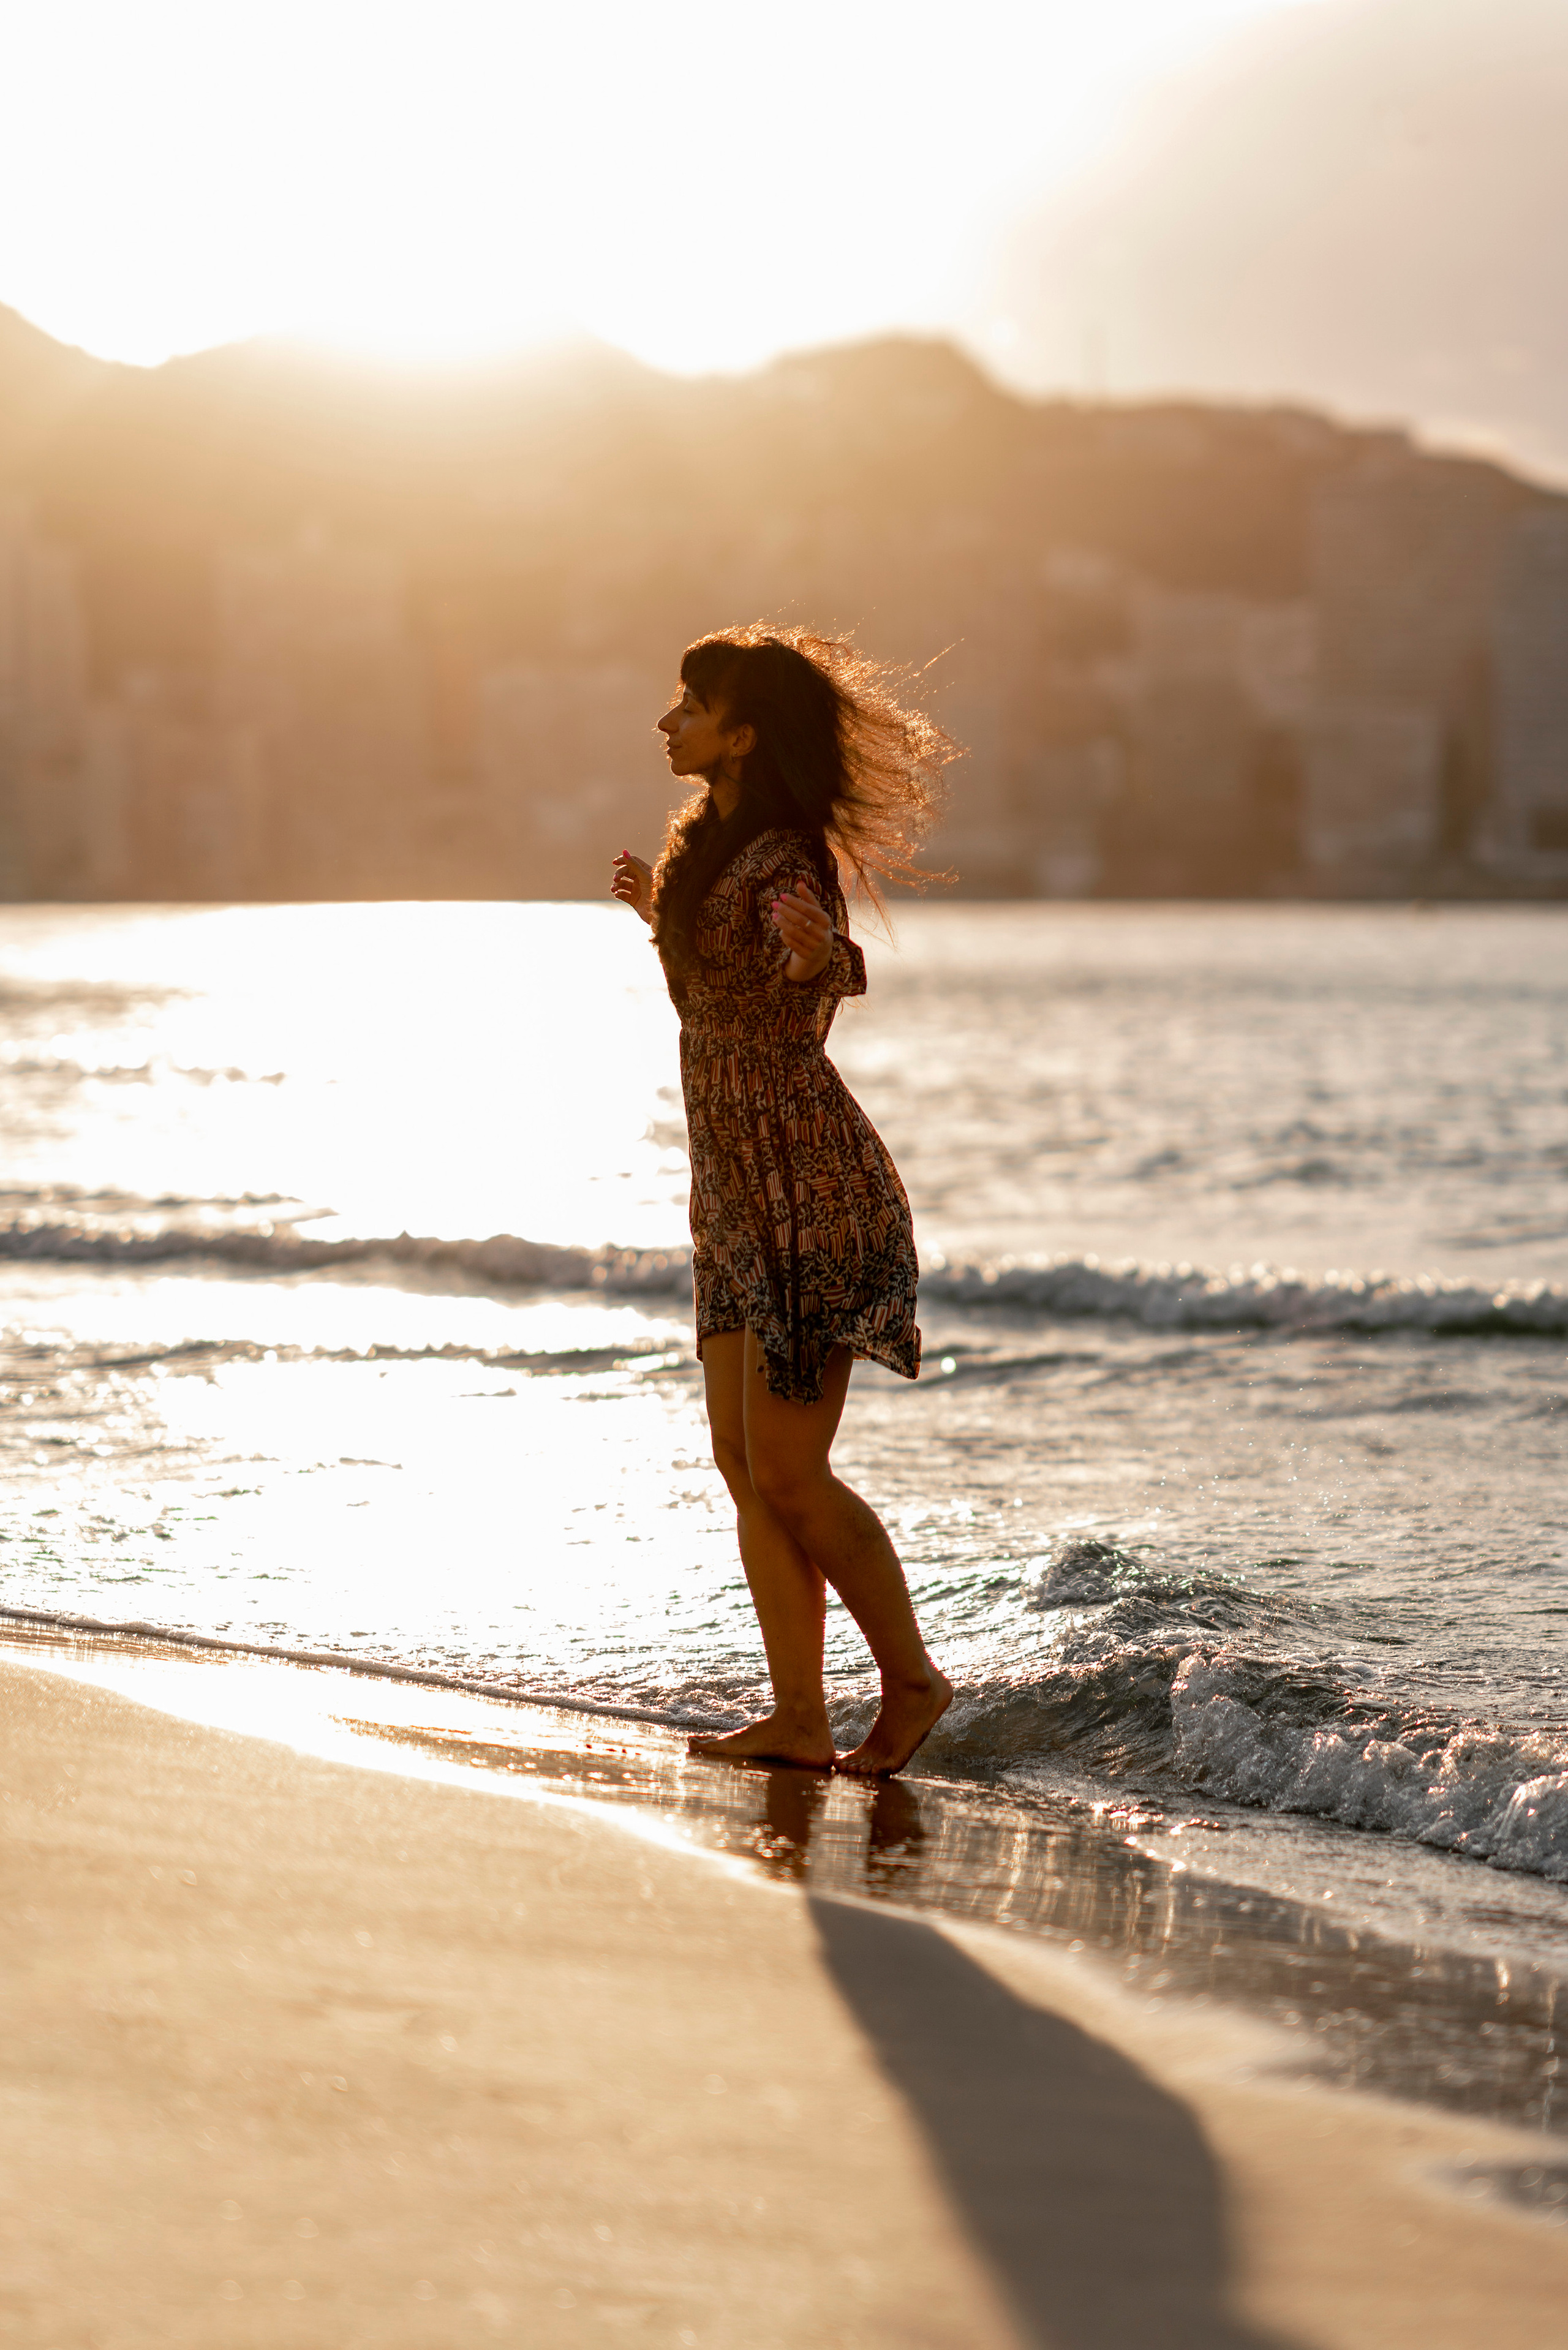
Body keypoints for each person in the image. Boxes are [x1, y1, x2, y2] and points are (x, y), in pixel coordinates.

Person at [611, 624, 958, 1776]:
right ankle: (800, 1714)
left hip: (808, 1194)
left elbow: (815, 970)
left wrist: (822, 962)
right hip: (733, 1200)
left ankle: (911, 1682)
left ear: (744, 732)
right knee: (739, 1459)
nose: (670, 721)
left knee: (793, 1471)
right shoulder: (711, 843)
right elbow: (718, 998)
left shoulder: (786, 864)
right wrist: (661, 915)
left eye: (691, 705)